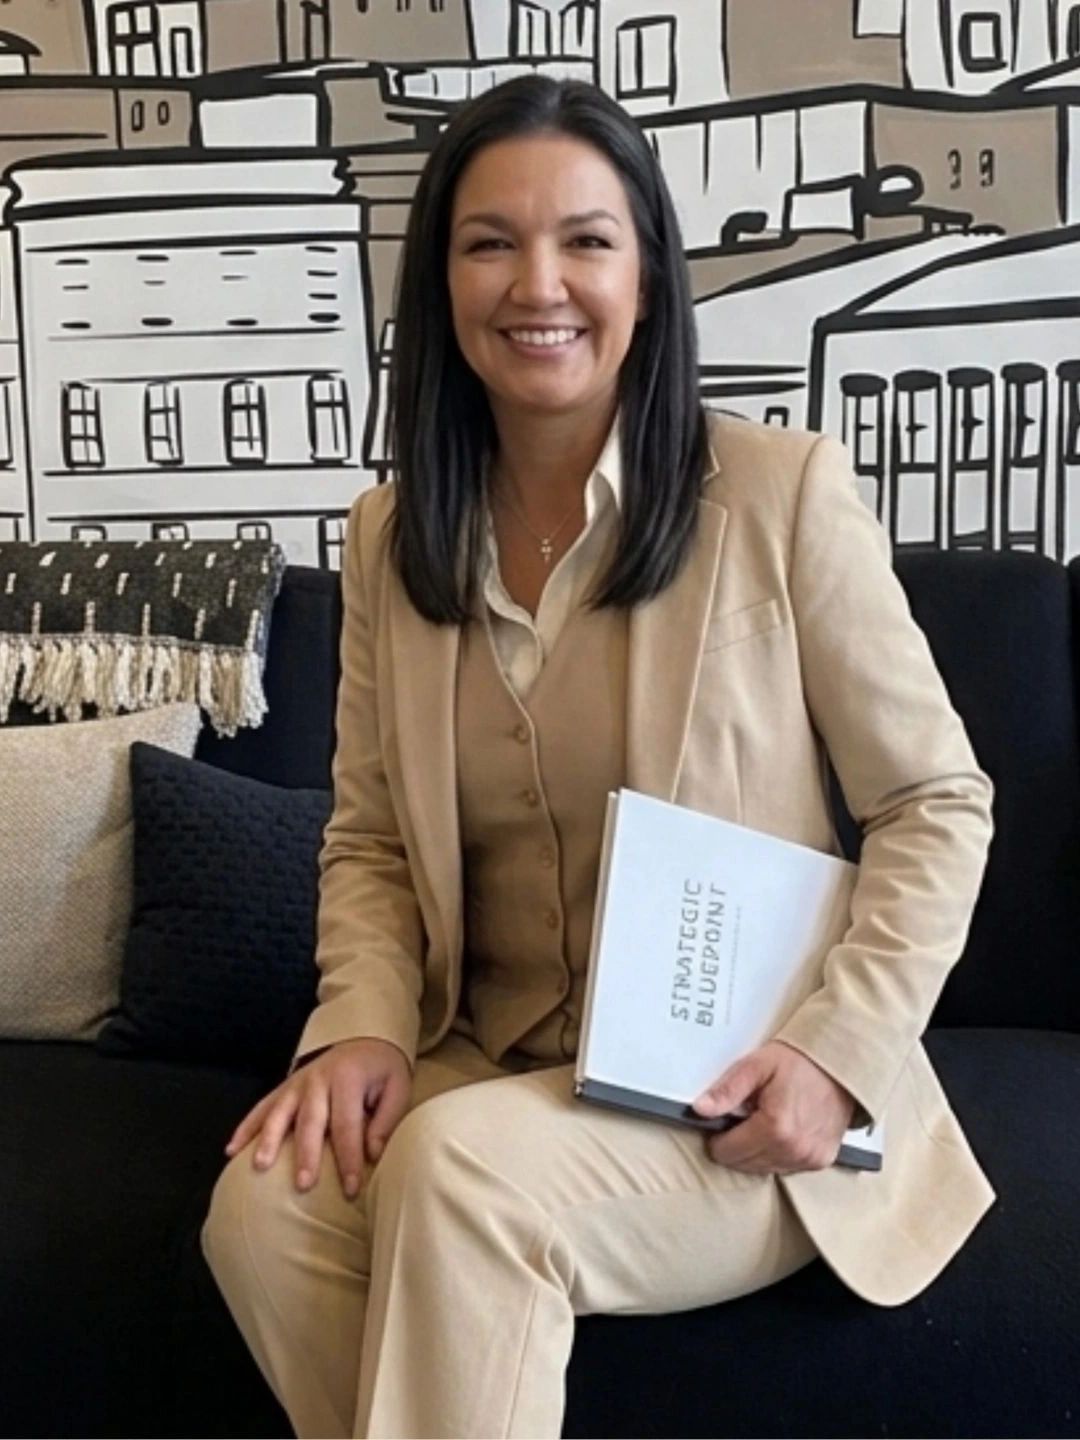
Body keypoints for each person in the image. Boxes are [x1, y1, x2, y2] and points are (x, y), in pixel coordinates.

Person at [202, 75, 995, 1440]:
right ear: (441, 281)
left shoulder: (781, 494)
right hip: (487, 1061)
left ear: (648, 276)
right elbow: (375, 840)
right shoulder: (392, 538)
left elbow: (936, 802)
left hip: (733, 1099)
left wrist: (839, 1051)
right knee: (265, 1205)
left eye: (586, 238)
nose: (538, 283)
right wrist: (364, 1028)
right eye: (489, 241)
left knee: (459, 1176)